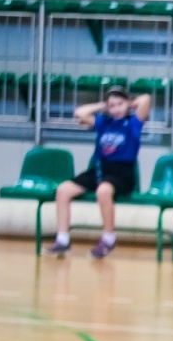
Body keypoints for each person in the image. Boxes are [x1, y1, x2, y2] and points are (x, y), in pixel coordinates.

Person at [49, 86, 152, 258]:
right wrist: (102, 106)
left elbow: (146, 99)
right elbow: (80, 113)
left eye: (120, 104)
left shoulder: (133, 123)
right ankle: (62, 239)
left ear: (127, 104)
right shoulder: (104, 122)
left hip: (123, 173)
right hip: (100, 169)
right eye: (112, 105)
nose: (116, 108)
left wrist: (128, 105)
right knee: (63, 190)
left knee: (103, 190)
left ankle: (109, 238)